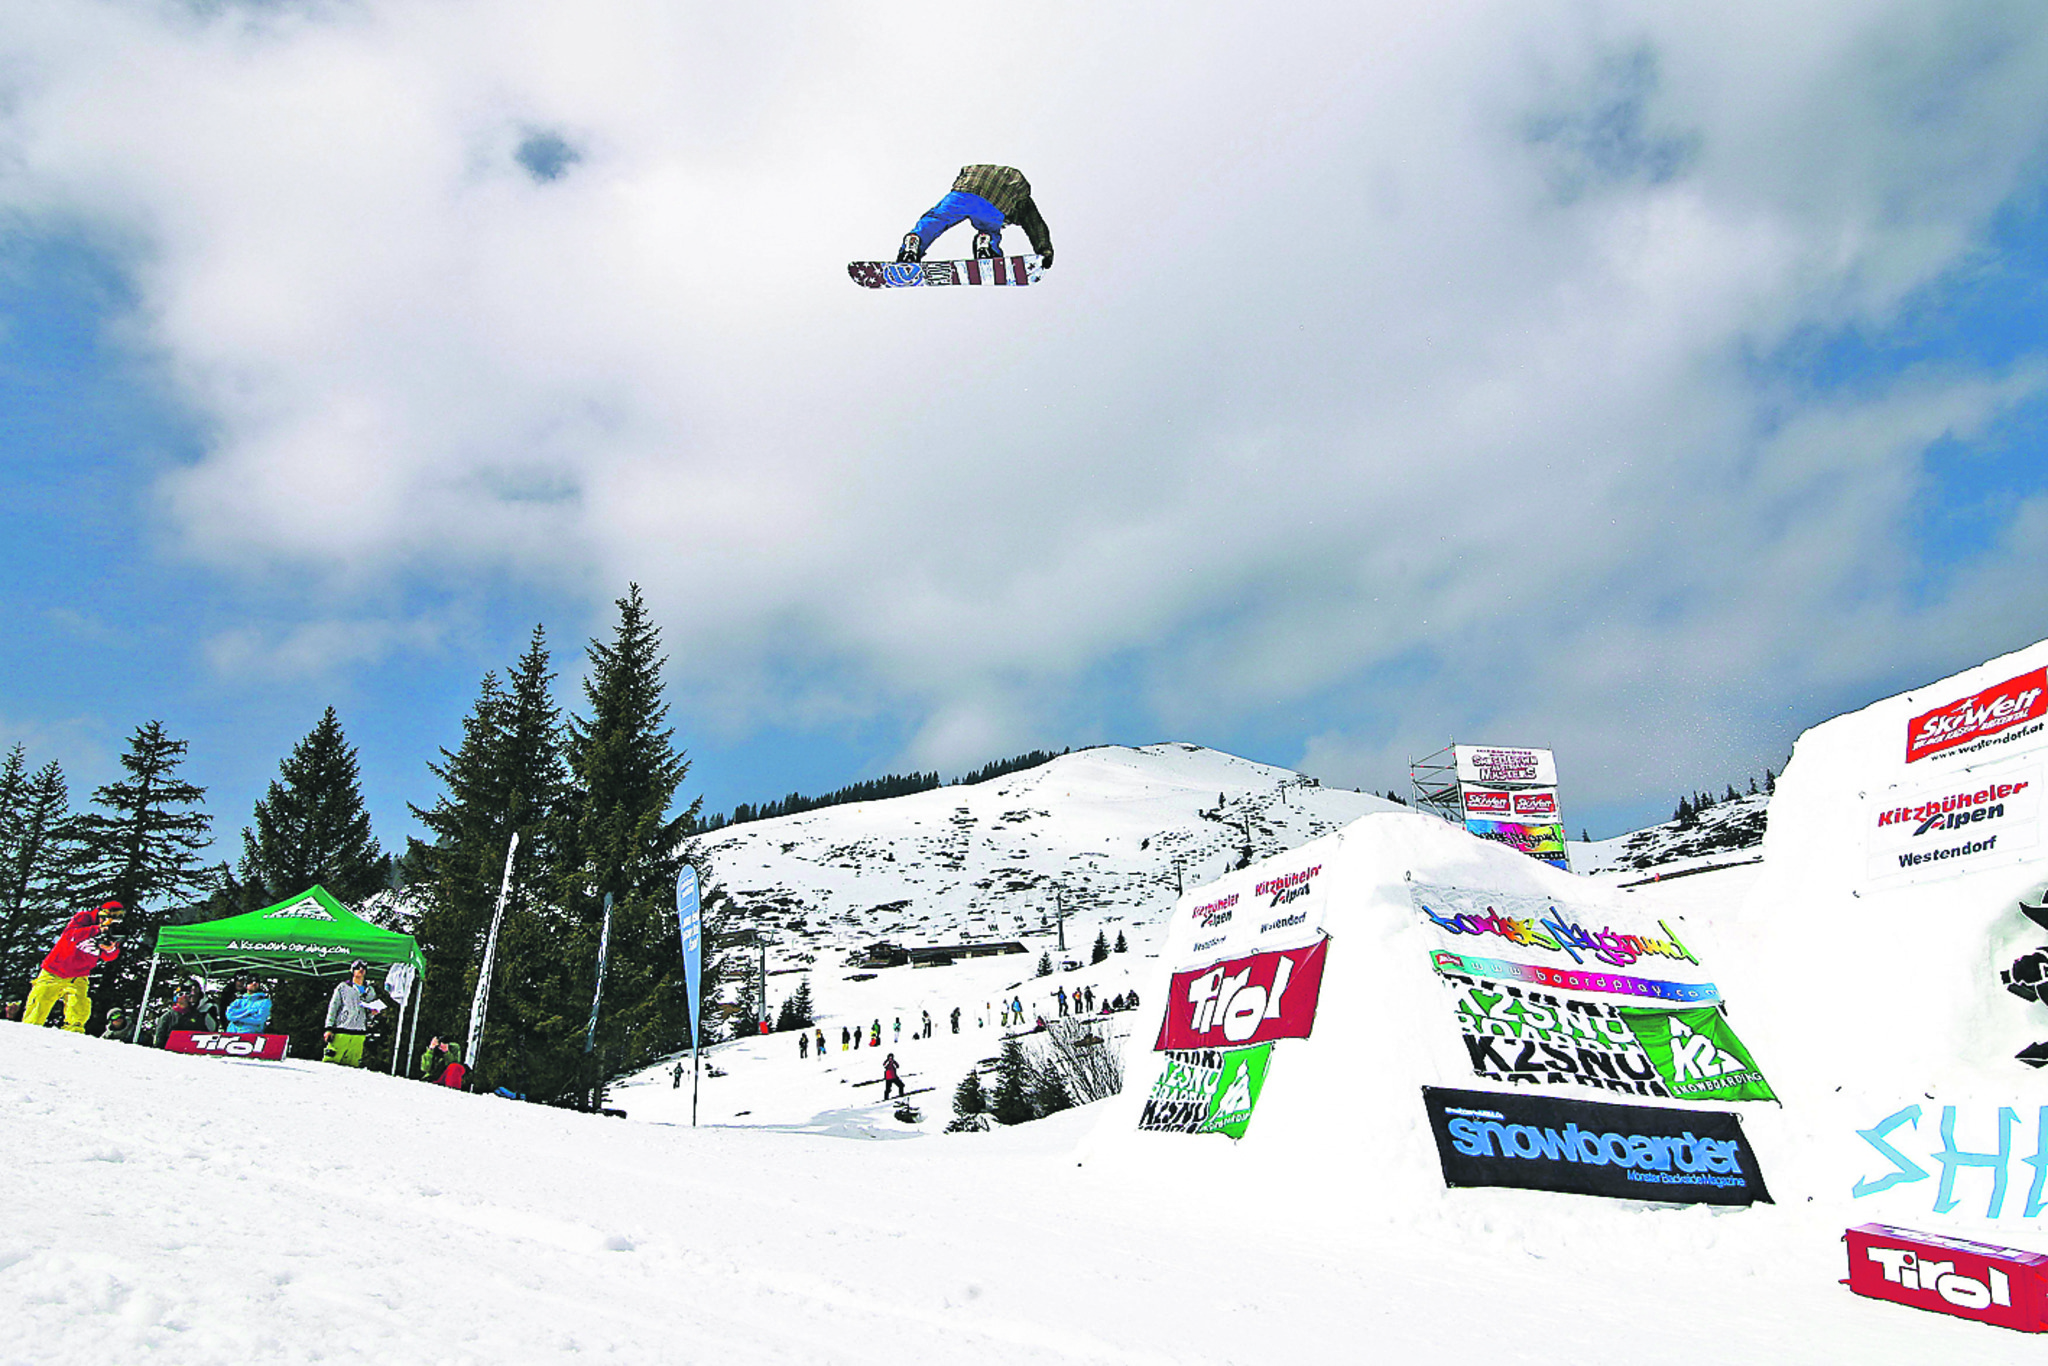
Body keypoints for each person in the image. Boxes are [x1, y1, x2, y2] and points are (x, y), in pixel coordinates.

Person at [896, 165, 1053, 267]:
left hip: (965, 188)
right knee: (989, 229)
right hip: (996, 198)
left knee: (936, 219)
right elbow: (1036, 226)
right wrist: (1045, 252)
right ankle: (986, 243)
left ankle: (914, 242)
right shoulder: (1024, 203)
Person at [23, 899, 123, 1033]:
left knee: (79, 1009)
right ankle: (28, 1033)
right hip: (54, 970)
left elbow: (109, 956)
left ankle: (74, 1036)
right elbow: (70, 935)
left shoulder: (114, 931)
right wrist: (97, 929)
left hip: (79, 975)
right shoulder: (84, 918)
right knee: (38, 1006)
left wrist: (110, 949)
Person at [322, 959, 385, 1067]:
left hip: (359, 1033)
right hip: (342, 1031)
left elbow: (369, 1014)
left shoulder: (370, 990)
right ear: (352, 971)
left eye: (363, 968)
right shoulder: (343, 987)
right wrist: (328, 1028)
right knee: (331, 1062)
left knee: (353, 1065)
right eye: (357, 968)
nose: (361, 970)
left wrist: (373, 1013)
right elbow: (333, 1008)